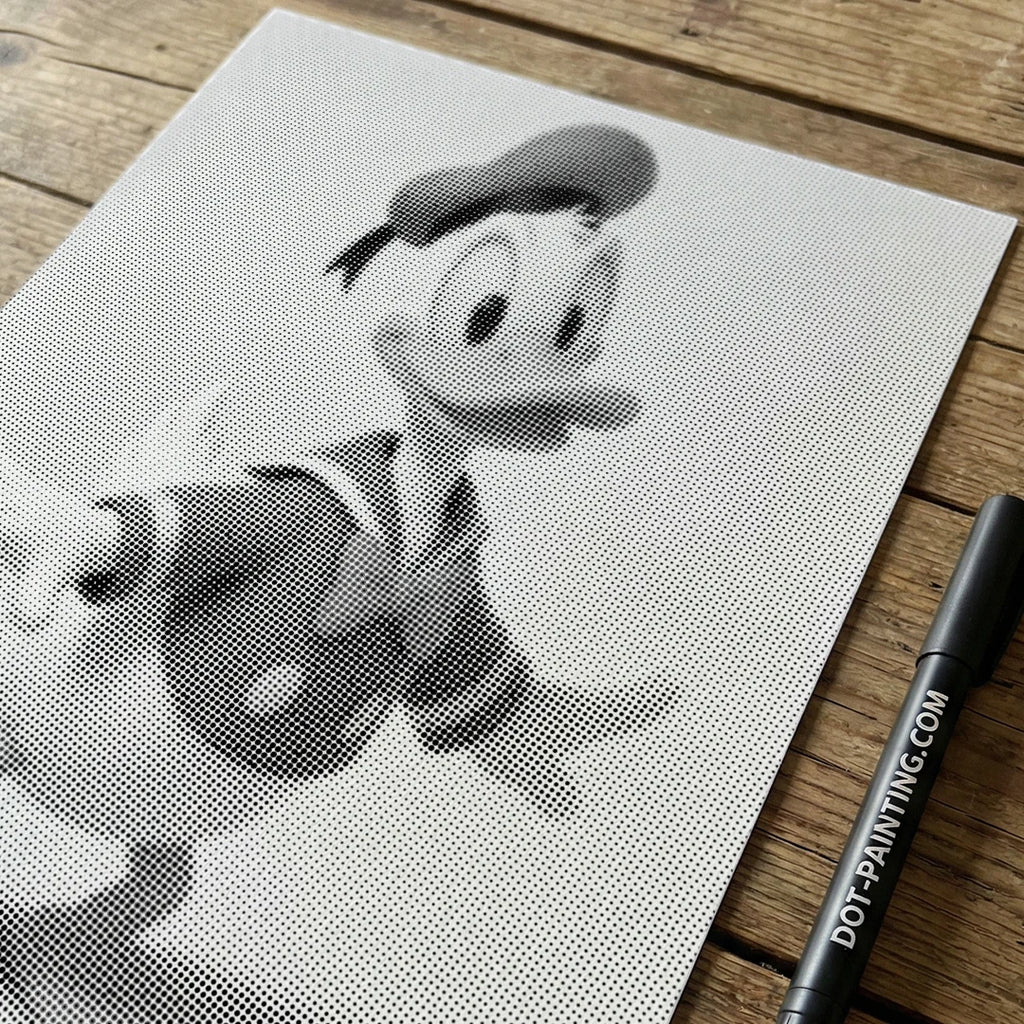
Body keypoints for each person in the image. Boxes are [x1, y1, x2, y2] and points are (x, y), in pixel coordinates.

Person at [0, 123, 662, 1020]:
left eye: (567, 337)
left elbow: (454, 654)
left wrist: (519, 721)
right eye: (486, 319)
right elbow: (209, 526)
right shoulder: (314, 506)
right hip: (92, 716)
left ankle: (59, 947)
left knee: (161, 880)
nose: (518, 383)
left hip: (223, 784)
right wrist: (92, 539)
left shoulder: (450, 547)